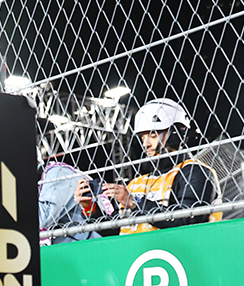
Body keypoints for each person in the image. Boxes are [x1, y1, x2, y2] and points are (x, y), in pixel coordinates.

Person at [76, 98, 218, 234]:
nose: (146, 144)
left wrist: (135, 200)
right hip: (137, 256)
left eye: (153, 135)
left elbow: (188, 219)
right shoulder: (137, 183)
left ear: (176, 133)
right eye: (143, 137)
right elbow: (117, 231)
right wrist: (90, 208)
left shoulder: (195, 171)